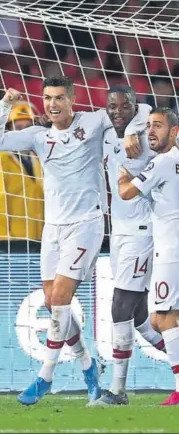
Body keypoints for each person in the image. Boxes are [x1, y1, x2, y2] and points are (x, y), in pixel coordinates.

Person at [0, 75, 142, 406]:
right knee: (51, 301)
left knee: (59, 298)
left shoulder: (93, 121)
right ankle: (89, 367)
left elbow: (135, 110)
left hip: (86, 223)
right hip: (52, 227)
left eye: (59, 98)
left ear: (72, 100)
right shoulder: (39, 137)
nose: (53, 104)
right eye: (47, 98)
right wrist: (4, 106)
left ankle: (45, 376)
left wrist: (130, 133)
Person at [92, 86, 166, 407]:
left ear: (134, 106)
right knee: (138, 318)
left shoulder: (147, 129)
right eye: (112, 106)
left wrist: (139, 127)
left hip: (143, 230)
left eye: (125, 106)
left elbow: (153, 111)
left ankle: (117, 391)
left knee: (119, 307)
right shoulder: (107, 131)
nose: (117, 110)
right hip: (119, 231)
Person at [118, 107, 179, 406]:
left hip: (171, 250)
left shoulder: (164, 162)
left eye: (158, 126)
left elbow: (126, 193)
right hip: (171, 246)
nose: (151, 131)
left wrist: (122, 173)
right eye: (149, 125)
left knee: (163, 319)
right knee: (160, 319)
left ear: (175, 132)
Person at [0, 100, 44, 241]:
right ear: (9, 130)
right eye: (19, 127)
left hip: (37, 239)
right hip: (12, 242)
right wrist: (1, 241)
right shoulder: (1, 158)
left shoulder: (36, 159)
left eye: (28, 127)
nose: (24, 132)